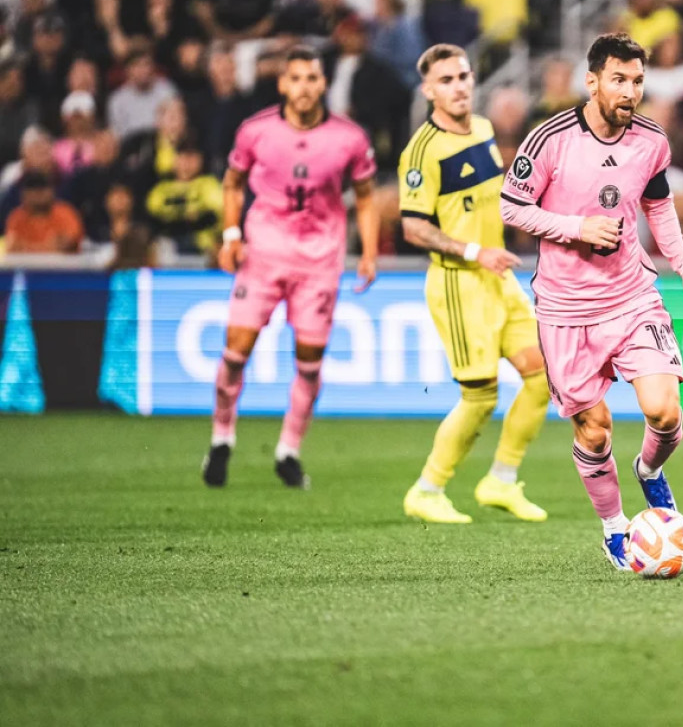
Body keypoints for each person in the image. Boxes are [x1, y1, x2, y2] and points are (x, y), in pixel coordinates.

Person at [500, 33, 683, 570]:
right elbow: (511, 207)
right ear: (592, 81)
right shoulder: (549, 140)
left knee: (663, 412)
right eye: (619, 80)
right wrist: (576, 227)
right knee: (594, 431)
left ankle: (649, 472)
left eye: (638, 81)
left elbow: (659, 206)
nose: (630, 91)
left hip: (632, 295)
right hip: (565, 309)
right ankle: (615, 527)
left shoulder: (652, 141)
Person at [201, 47, 378, 490]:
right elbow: (232, 183)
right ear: (283, 84)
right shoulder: (255, 131)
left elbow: (367, 195)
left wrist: (369, 253)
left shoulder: (349, 138)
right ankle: (222, 438)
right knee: (235, 351)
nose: (304, 87)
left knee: (311, 363)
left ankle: (289, 450)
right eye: (295, 78)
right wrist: (230, 235)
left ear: (323, 84)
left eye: (312, 78)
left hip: (319, 261)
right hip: (263, 254)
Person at [397, 44, 550, 524]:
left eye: (463, 76)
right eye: (446, 80)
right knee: (481, 397)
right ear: (428, 90)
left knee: (543, 375)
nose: (458, 86)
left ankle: (500, 481)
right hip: (460, 286)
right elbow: (413, 227)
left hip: (498, 280)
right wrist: (472, 251)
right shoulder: (422, 150)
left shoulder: (483, 128)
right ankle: (427, 489)